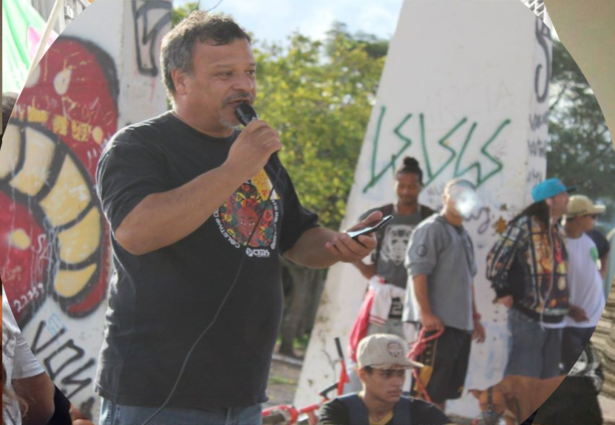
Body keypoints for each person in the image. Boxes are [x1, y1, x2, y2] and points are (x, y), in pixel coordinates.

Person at [95, 12, 377, 425]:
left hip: (243, 395)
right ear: (180, 81)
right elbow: (136, 232)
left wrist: (341, 245)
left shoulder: (259, 154)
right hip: (158, 394)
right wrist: (234, 170)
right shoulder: (139, 146)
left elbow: (299, 240)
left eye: (250, 72)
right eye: (225, 74)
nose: (244, 85)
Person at [347, 158, 435, 388]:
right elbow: (347, 240)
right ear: (395, 184)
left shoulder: (429, 218)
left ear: (421, 186)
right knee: (368, 359)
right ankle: (355, 402)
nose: (406, 191)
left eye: (412, 186)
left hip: (412, 305)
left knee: (401, 366)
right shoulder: (381, 216)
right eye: (401, 185)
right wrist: (365, 268)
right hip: (380, 302)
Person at [404, 178, 486, 412]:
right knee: (425, 392)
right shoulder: (431, 229)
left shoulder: (464, 236)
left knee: (444, 391)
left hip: (459, 326)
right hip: (435, 326)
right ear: (444, 199)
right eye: (455, 195)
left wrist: (474, 317)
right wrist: (426, 313)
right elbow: (418, 272)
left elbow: (468, 280)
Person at [486, 178, 573, 379]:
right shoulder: (525, 225)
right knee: (522, 379)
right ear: (549, 201)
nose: (568, 199)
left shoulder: (558, 229)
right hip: (528, 314)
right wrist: (502, 291)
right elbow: (495, 259)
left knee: (548, 381)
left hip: (555, 318)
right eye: (563, 195)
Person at [318, 334, 453, 425]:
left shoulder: (422, 412)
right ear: (363, 375)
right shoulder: (337, 411)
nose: (398, 383)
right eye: (386, 374)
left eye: (401, 373)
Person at [561, 195, 606, 372]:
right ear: (579, 218)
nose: (595, 220)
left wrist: (602, 272)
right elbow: (547, 285)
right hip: (571, 323)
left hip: (595, 321)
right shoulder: (558, 242)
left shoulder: (591, 238)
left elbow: (605, 252)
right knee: (575, 374)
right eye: (592, 216)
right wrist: (568, 308)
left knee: (596, 373)